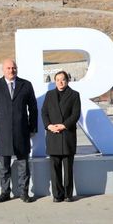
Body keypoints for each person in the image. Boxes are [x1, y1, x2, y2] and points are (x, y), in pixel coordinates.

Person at [0, 59, 37, 203]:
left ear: (17, 69)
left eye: (13, 68)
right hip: (2, 133)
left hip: (22, 132)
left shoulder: (26, 85)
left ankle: (24, 192)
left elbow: (33, 108)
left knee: (23, 165)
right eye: (8, 68)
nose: (11, 70)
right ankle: (5, 192)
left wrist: (32, 128)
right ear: (3, 70)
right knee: (4, 166)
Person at [41, 71, 81, 203]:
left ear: (67, 80)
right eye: (57, 79)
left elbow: (75, 114)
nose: (60, 82)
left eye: (63, 79)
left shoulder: (74, 95)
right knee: (54, 168)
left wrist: (64, 125)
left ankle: (68, 195)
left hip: (67, 135)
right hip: (53, 136)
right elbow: (44, 112)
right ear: (55, 81)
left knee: (68, 168)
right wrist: (49, 126)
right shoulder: (50, 95)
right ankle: (57, 195)